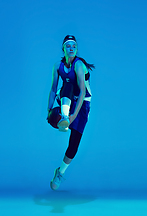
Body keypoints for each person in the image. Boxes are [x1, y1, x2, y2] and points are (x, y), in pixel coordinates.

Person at [47, 35, 94, 190]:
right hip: (66, 97)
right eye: (68, 46)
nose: (71, 48)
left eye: (74, 45)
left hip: (82, 101)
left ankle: (59, 172)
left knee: (73, 145)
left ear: (77, 49)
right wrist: (49, 110)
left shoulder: (79, 65)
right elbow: (54, 89)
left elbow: (81, 92)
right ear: (63, 48)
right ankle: (64, 116)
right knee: (66, 85)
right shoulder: (58, 65)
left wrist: (74, 116)